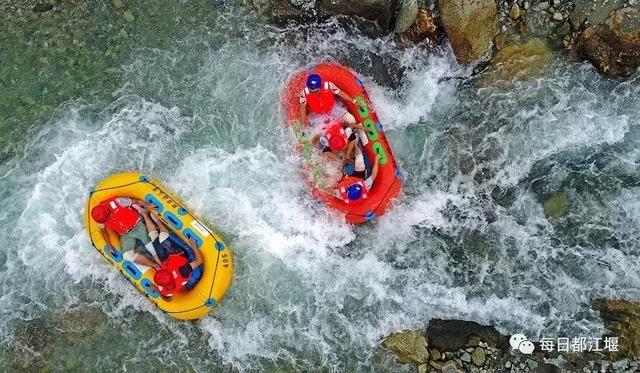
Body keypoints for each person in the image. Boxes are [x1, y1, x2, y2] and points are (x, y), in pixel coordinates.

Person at [139, 206, 204, 298]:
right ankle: (160, 224)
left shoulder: (165, 291)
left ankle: (154, 221)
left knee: (154, 240)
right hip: (180, 256)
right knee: (162, 239)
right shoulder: (182, 271)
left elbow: (165, 298)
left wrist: (156, 289)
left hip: (169, 261)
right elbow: (199, 261)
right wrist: (193, 245)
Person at [90, 197, 159, 268]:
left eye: (107, 217)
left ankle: (159, 263)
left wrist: (147, 205)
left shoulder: (117, 202)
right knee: (127, 256)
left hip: (137, 226)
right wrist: (110, 245)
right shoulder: (99, 219)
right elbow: (104, 231)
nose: (107, 219)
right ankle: (153, 265)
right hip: (126, 234)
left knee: (152, 248)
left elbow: (134, 201)